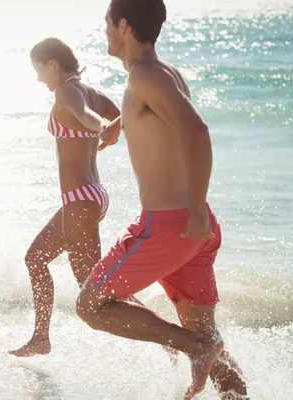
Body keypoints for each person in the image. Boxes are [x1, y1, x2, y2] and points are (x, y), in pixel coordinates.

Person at [75, 1, 248, 399]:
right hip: (192, 229)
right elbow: (156, 119)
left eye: (106, 23)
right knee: (214, 350)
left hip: (170, 227)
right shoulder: (160, 74)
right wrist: (115, 127)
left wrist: (194, 214)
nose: (103, 31)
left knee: (90, 305)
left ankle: (196, 347)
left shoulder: (146, 74)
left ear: (123, 25)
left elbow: (196, 132)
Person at [9, 38, 120, 357]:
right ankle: (40, 337)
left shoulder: (67, 92)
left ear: (53, 64)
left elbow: (86, 116)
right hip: (91, 196)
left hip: (80, 199)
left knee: (94, 290)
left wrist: (103, 127)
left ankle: (172, 340)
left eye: (39, 70)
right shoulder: (95, 93)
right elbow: (129, 113)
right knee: (36, 259)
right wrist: (115, 125)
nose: (39, 78)